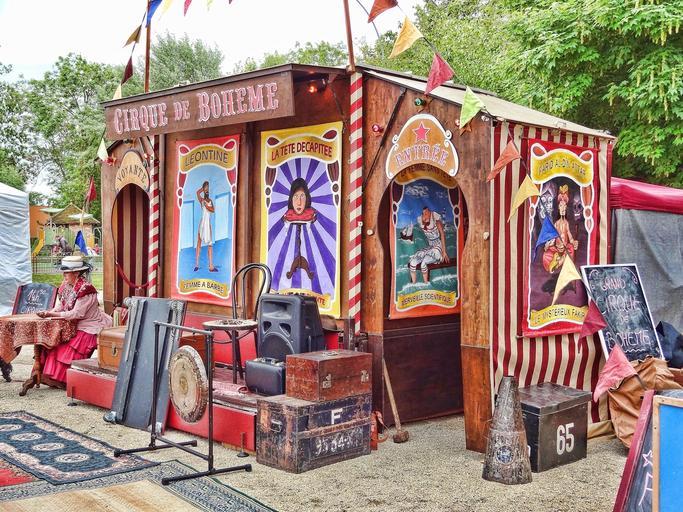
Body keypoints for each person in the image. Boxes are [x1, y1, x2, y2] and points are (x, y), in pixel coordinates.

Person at [35, 255, 112, 388]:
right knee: (53, 342)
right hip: (73, 325)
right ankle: (51, 377)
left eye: (66, 272)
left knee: (68, 349)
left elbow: (77, 314)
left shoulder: (86, 290)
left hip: (89, 327)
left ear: (76, 273)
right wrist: (49, 311)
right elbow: (61, 306)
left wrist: (51, 314)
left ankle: (67, 380)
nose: (64, 275)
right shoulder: (66, 286)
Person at [542, 184, 579, 273]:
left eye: (564, 207)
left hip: (565, 248)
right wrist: (548, 244)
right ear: (558, 208)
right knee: (546, 255)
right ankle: (557, 260)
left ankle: (557, 264)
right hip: (557, 249)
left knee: (570, 250)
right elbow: (553, 237)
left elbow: (569, 235)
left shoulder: (566, 223)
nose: (563, 209)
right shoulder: (556, 223)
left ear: (566, 208)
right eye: (561, 206)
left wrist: (573, 242)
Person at [408, 206, 449, 284]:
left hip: (437, 247)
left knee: (423, 263)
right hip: (430, 247)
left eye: (426, 213)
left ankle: (426, 284)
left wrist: (444, 252)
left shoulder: (435, 219)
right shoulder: (421, 221)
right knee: (413, 262)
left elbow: (442, 234)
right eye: (423, 213)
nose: (424, 215)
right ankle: (413, 285)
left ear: (430, 213)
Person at [194, 181, 218, 272]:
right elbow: (197, 193)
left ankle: (211, 266)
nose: (207, 190)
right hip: (202, 223)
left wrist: (207, 206)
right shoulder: (202, 200)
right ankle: (196, 264)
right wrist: (203, 188)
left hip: (208, 223)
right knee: (199, 242)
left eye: (208, 188)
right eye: (206, 189)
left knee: (210, 244)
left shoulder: (210, 201)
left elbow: (213, 210)